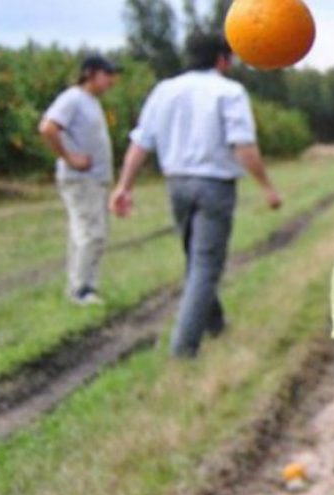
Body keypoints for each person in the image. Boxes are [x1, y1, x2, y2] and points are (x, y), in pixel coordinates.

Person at [109, 34, 282, 358]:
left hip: (176, 183)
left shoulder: (165, 90)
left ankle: (215, 324)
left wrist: (124, 186)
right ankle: (184, 348)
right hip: (214, 185)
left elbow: (141, 142)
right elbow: (243, 146)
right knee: (205, 264)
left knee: (196, 257)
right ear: (222, 59)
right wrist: (267, 187)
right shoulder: (229, 92)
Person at [39, 55, 121, 305]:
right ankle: (81, 289)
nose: (111, 81)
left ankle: (83, 285)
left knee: (87, 234)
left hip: (95, 180)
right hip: (80, 179)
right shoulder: (73, 98)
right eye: (106, 75)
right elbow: (48, 128)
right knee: (90, 233)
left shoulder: (91, 102)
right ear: (90, 74)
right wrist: (69, 157)